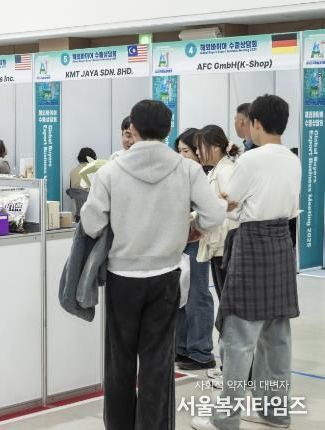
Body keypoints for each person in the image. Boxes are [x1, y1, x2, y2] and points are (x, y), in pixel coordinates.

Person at [80, 100, 225, 430]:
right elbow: (214, 214)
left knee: (120, 361)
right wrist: (193, 227)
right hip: (165, 276)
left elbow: (91, 223)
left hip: (122, 276)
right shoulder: (187, 169)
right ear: (169, 129)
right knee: (158, 362)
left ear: (132, 128)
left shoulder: (111, 170)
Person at [192, 95, 301, 430]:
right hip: (282, 243)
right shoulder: (292, 159)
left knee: (238, 339)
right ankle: (275, 412)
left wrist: (219, 203)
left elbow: (232, 205)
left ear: (255, 123)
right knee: (277, 338)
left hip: (252, 243)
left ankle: (225, 419)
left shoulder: (251, 160)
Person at [173, 127, 216, 371]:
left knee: (197, 295)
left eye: (186, 151)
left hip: (197, 241)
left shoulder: (205, 177)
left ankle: (201, 352)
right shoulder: (178, 175)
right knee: (180, 295)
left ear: (198, 152)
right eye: (179, 151)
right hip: (178, 241)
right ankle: (182, 347)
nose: (182, 156)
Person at [195, 125, 240, 300]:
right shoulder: (215, 170)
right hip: (218, 245)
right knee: (224, 297)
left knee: (228, 299)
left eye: (200, 147)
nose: (197, 152)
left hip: (225, 245)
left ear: (215, 147)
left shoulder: (226, 171)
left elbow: (232, 207)